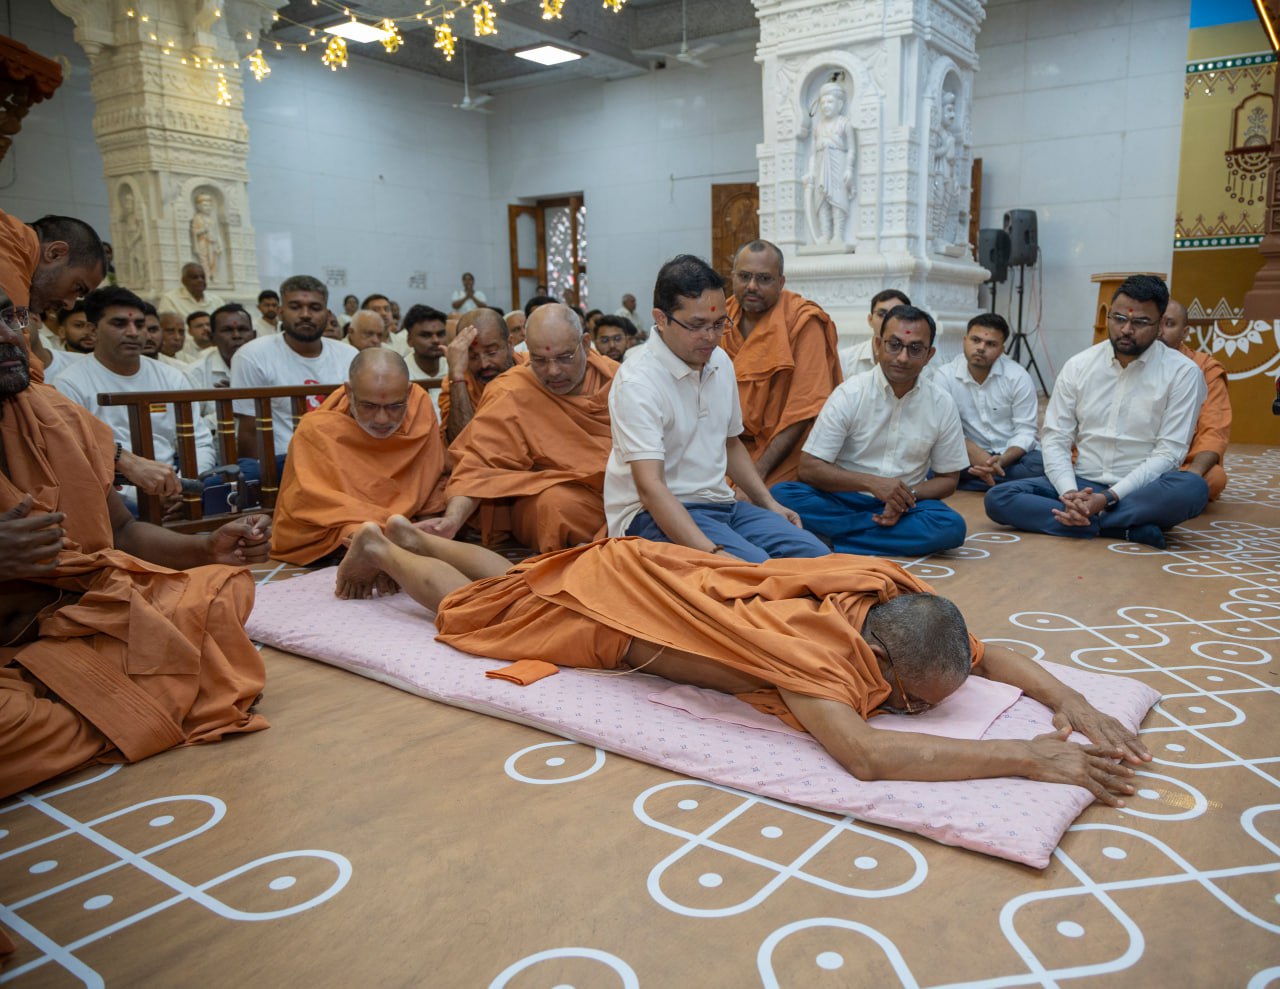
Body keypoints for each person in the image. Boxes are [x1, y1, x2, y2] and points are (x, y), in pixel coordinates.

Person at [332, 520, 1150, 808]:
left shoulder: (896, 597)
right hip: (616, 610)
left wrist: (1069, 698)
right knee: (473, 616)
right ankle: (386, 551)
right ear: (878, 655)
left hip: (639, 569)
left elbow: (985, 653)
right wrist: (1027, 757)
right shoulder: (816, 655)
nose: (908, 712)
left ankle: (418, 535)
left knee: (524, 582)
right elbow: (866, 756)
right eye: (909, 701)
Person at [0, 298, 270, 799]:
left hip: (88, 618)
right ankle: (128, 707)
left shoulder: (51, 414)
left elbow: (123, 532)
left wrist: (208, 546)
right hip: (13, 650)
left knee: (221, 587)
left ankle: (101, 706)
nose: (8, 336)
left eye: (8, 318)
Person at [605, 254, 828, 562]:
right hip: (653, 514)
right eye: (697, 325)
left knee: (816, 555)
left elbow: (730, 443)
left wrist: (769, 504)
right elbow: (651, 488)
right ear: (661, 318)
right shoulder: (638, 381)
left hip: (722, 505)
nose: (710, 337)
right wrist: (711, 553)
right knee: (756, 570)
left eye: (719, 324)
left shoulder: (719, 360)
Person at [985, 275, 1209, 549]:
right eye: (1118, 318)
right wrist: (1070, 493)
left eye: (1140, 322)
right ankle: (1119, 527)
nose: (1126, 329)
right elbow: (1056, 438)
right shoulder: (1079, 365)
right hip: (1082, 482)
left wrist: (1107, 498)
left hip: (1142, 489)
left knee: (1192, 489)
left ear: (1160, 324)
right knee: (999, 498)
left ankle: (1094, 520)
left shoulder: (1183, 373)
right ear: (1108, 316)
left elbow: (1169, 453)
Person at [773, 305, 969, 557]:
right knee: (783, 495)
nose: (902, 357)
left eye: (915, 348)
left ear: (929, 355)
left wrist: (904, 496)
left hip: (907, 505)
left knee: (950, 526)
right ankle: (872, 539)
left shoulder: (941, 403)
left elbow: (949, 479)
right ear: (878, 344)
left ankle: (827, 540)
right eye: (894, 345)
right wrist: (872, 483)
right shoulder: (850, 393)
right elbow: (809, 468)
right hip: (842, 498)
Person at [425, 304, 614, 552]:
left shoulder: (619, 380)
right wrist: (452, 520)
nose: (553, 371)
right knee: (553, 506)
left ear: (586, 344)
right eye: (540, 360)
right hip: (565, 499)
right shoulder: (512, 390)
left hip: (623, 491)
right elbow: (478, 462)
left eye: (564, 357)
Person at [270, 349, 446, 565]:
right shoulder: (316, 430)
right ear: (348, 391)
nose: (382, 419)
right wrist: (389, 528)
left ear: (408, 393)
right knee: (354, 530)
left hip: (406, 525)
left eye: (395, 406)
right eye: (369, 406)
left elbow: (430, 481)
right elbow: (310, 501)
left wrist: (429, 528)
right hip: (346, 529)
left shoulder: (419, 408)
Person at [54, 287, 217, 516]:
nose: (133, 332)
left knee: (241, 478)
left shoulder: (171, 376)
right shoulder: (69, 383)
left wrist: (179, 486)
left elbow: (199, 442)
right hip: (116, 495)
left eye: (140, 325)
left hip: (177, 487)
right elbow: (77, 459)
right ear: (93, 330)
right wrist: (146, 494)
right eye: (119, 324)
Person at [722, 240, 842, 485]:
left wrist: (757, 474)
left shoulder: (802, 321)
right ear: (732, 277)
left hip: (782, 453)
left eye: (764, 279)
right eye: (744, 276)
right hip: (723, 448)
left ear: (781, 282)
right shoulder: (719, 318)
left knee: (769, 500)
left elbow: (803, 409)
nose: (752, 286)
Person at [231, 275, 360, 460]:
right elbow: (249, 431)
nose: (305, 314)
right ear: (281, 312)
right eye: (295, 307)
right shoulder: (252, 355)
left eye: (315, 307)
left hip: (340, 457)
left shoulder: (349, 355)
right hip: (281, 462)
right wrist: (261, 475)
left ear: (328, 314)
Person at [937, 313, 1040, 490]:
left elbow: (1026, 431)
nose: (981, 348)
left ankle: (978, 479)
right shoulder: (945, 376)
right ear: (964, 340)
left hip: (1010, 456)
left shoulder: (1017, 376)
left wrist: (1002, 460)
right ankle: (1004, 482)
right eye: (975, 340)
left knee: (1040, 465)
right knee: (936, 462)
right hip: (967, 455)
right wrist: (981, 458)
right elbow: (945, 430)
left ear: (1002, 349)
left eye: (991, 344)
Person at [0, 210, 105, 381]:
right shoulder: (9, 261)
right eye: (77, 287)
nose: (70, 305)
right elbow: (20, 359)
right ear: (55, 253)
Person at [1160, 300, 1230, 500]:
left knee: (1214, 478)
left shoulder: (1205, 368)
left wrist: (1192, 477)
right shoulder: (1136, 362)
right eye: (1155, 323)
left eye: (1169, 324)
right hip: (1136, 457)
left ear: (1185, 332)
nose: (1159, 332)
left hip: (1182, 464)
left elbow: (1214, 429)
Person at [439, 308, 517, 443]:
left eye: (491, 353)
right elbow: (461, 442)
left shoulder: (532, 368)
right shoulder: (457, 382)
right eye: (473, 356)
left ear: (510, 344)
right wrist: (456, 375)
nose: (484, 364)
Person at [801, 80, 857, 245]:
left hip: (838, 163)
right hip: (820, 166)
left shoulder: (844, 123)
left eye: (830, 102)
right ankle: (825, 235)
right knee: (821, 200)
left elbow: (852, 148)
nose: (825, 105)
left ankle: (838, 235)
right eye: (823, 102)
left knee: (838, 199)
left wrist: (849, 169)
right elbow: (812, 153)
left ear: (839, 104)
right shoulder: (818, 127)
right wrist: (811, 171)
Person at [839, 289, 910, 379]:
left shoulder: (918, 360)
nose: (888, 321)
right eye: (882, 314)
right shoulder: (845, 359)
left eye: (897, 315)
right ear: (870, 319)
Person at [157, 261, 226, 323]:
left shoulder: (216, 300)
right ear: (184, 281)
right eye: (194, 277)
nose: (200, 280)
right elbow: (169, 326)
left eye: (202, 277)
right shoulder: (170, 299)